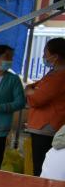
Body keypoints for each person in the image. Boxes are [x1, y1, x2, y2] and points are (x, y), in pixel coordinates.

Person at [24, 37, 65, 176]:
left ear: (55, 56)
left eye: (45, 53)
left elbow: (37, 99)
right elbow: (33, 87)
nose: (43, 57)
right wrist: (31, 90)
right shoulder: (53, 73)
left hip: (47, 127)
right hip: (44, 126)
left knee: (41, 166)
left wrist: (30, 91)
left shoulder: (59, 76)